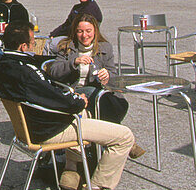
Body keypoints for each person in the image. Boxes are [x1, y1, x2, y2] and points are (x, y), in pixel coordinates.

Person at [0, 21, 134, 190]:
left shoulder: (3, 65)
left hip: (28, 127)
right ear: (23, 46)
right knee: (124, 137)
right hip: (49, 130)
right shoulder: (25, 73)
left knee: (87, 114)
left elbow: (46, 91)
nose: (35, 45)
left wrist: (72, 99)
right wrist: (77, 100)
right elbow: (53, 97)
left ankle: (72, 169)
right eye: (33, 41)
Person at [47, 14, 143, 157]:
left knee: (120, 102)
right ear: (75, 32)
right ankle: (124, 138)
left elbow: (114, 75)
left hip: (100, 92)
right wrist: (73, 63)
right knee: (95, 93)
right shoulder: (66, 47)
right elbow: (54, 71)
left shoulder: (105, 47)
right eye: (80, 31)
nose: (84, 35)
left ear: (95, 31)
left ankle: (116, 137)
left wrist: (108, 76)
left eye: (88, 31)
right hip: (75, 89)